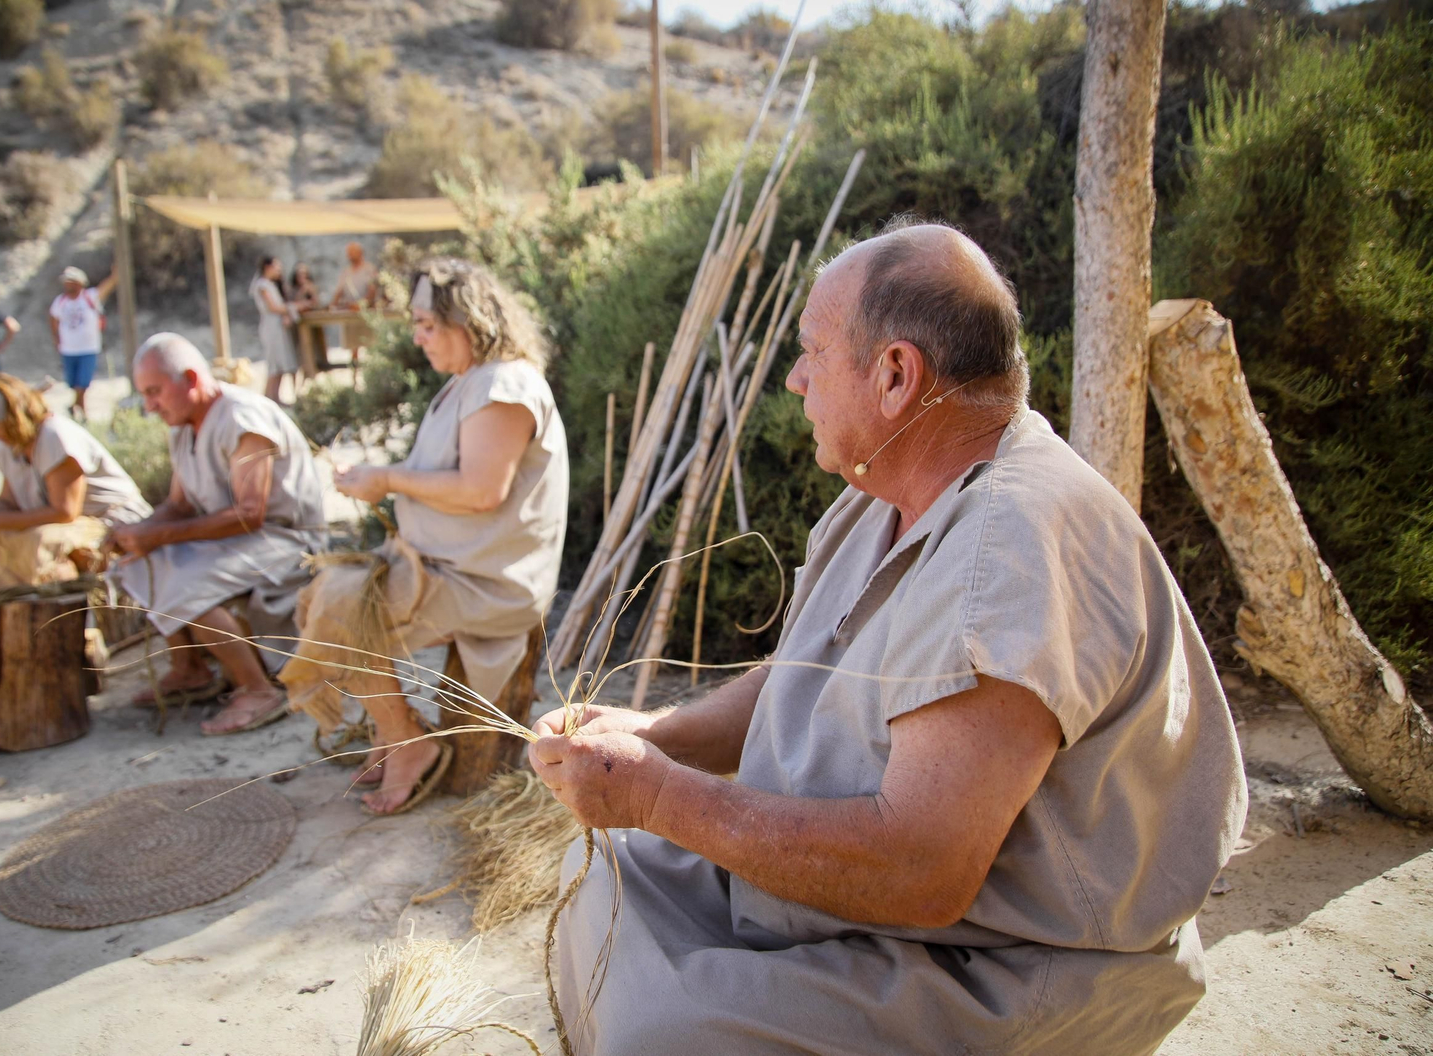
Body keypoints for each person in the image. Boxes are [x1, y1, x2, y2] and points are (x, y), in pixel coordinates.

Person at [528, 223, 1247, 1055]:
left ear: (896, 376)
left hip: (1004, 961)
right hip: (867, 912)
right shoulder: (888, 496)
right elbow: (807, 672)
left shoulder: (1006, 551)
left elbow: (921, 870)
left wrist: (659, 796)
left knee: (662, 1034)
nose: (795, 379)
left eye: (813, 352)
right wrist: (660, 737)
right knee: (604, 873)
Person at [290, 257, 568, 815]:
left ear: (469, 322)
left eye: (427, 324)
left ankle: (407, 743)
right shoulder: (470, 382)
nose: (418, 337)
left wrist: (388, 479)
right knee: (321, 595)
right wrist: (375, 481)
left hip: (484, 582)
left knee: (341, 611)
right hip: (442, 565)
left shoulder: (504, 384)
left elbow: (483, 490)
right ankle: (393, 731)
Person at [107, 332, 326, 736]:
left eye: (154, 392)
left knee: (188, 583)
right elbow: (179, 504)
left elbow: (249, 514)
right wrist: (138, 532)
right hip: (238, 539)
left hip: (287, 540)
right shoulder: (183, 425)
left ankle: (258, 690)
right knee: (139, 563)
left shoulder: (243, 418)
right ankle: (189, 669)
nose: (149, 405)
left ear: (191, 379)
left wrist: (159, 536)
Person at [0, 374, 150, 589]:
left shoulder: (54, 436)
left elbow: (64, 512)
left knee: (44, 539)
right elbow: (8, 503)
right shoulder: (12, 448)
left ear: (13, 419)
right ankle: (22, 600)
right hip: (78, 526)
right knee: (0, 533)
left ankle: (65, 602)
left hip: (115, 527)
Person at [48, 265, 117, 421]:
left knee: (83, 383)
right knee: (73, 383)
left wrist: (116, 273)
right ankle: (77, 408)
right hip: (68, 349)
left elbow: (109, 285)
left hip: (88, 348)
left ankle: (80, 411)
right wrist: (56, 338)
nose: (68, 285)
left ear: (80, 283)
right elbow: (53, 318)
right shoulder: (60, 301)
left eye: (71, 282)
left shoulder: (90, 297)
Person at [249, 255, 297, 404]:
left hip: (278, 327)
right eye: (276, 267)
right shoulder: (262, 285)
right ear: (268, 267)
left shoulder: (271, 285)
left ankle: (275, 398)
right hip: (271, 327)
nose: (279, 270)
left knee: (281, 363)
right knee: (274, 364)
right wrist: (293, 308)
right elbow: (273, 307)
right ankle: (268, 398)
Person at [329, 241, 377, 367]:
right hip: (350, 313)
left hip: (366, 313)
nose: (349, 256)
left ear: (360, 253)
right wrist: (332, 304)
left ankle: (372, 371)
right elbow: (339, 291)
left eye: (352, 252)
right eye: (348, 253)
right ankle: (354, 372)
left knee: (370, 344)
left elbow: (372, 290)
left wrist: (363, 304)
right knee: (353, 346)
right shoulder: (346, 272)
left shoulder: (369, 269)